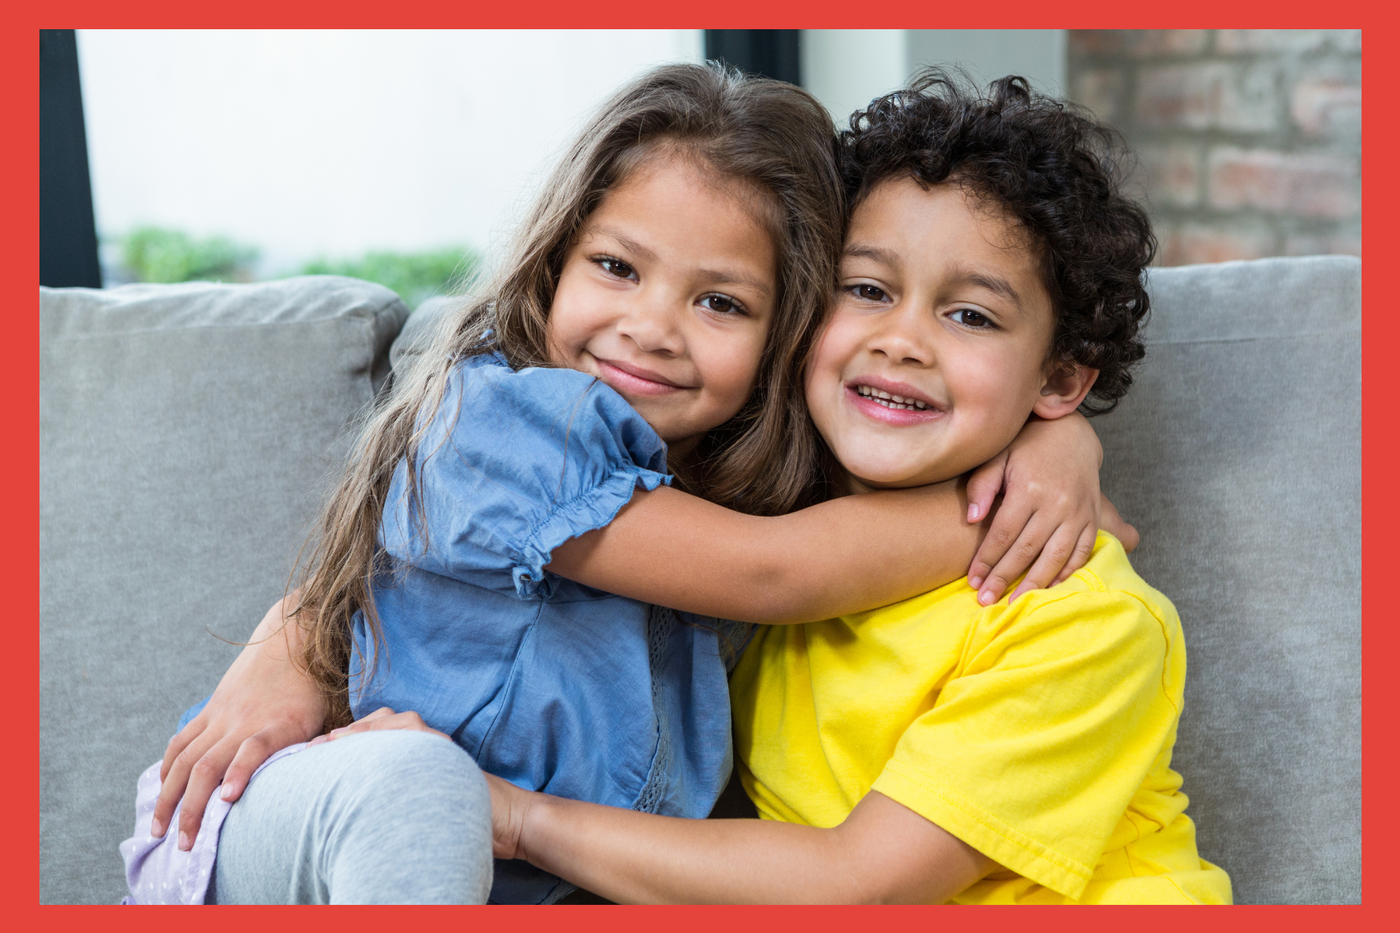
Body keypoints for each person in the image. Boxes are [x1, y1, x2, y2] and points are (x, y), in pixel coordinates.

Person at [124, 64, 1122, 906]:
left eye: (720, 301)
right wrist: (1006, 493)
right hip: (309, 816)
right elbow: (775, 575)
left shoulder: (759, 470)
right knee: (424, 785)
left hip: (514, 873)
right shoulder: (506, 422)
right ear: (551, 264)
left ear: (786, 332)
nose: (651, 326)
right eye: (615, 267)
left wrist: (1052, 437)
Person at [472, 71, 1233, 905]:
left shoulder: (1078, 617)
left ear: (1057, 376)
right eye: (867, 290)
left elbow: (857, 886)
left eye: (970, 314)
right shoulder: (758, 508)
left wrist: (517, 819)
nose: (900, 340)